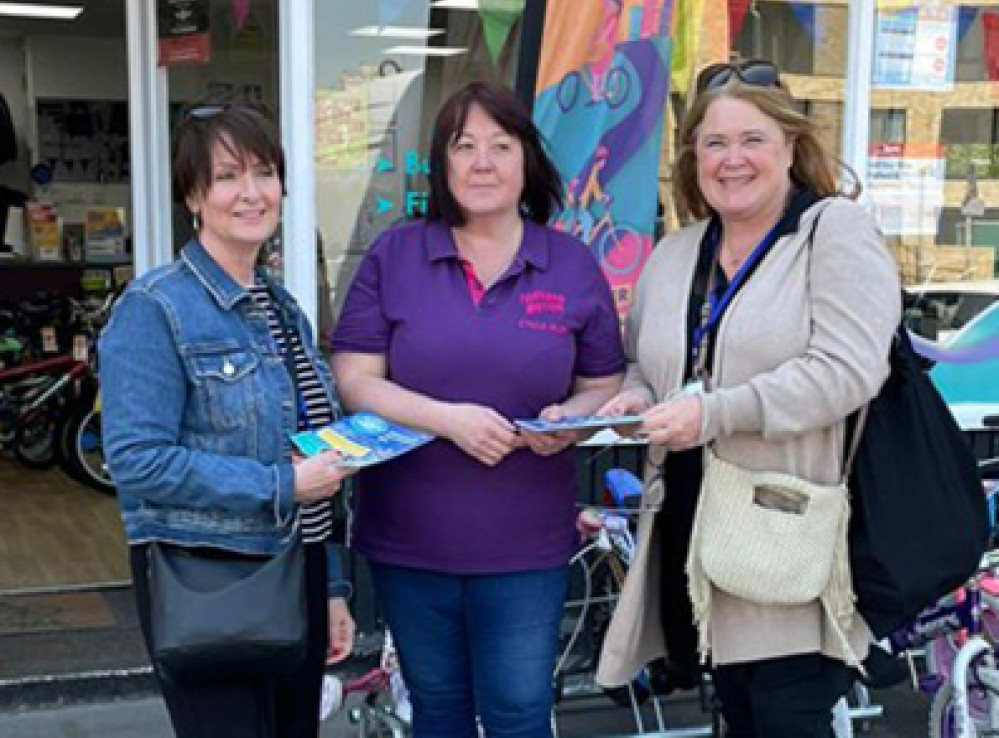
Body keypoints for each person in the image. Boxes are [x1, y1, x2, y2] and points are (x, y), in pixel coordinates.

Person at [595, 59, 901, 737]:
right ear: (691, 158)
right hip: (690, 540)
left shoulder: (833, 232)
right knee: (736, 718)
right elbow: (643, 366)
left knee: (787, 717)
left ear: (791, 146)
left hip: (785, 543)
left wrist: (714, 411)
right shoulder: (673, 254)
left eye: (751, 139)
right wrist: (630, 401)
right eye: (713, 143)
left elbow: (847, 371)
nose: (731, 160)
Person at [331, 80, 626, 738]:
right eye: (464, 146)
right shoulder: (396, 254)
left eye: (500, 144)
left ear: (528, 161)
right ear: (442, 163)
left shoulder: (570, 264)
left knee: (520, 710)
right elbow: (353, 377)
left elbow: (604, 379)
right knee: (435, 709)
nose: (483, 162)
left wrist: (567, 419)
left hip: (525, 542)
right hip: (410, 537)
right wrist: (449, 419)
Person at [100, 102, 356, 738]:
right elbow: (137, 462)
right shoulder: (155, 308)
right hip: (209, 577)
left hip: (299, 574)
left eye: (265, 173)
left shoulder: (283, 307)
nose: (252, 193)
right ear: (194, 193)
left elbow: (312, 453)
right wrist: (279, 486)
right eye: (227, 176)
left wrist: (333, 586)